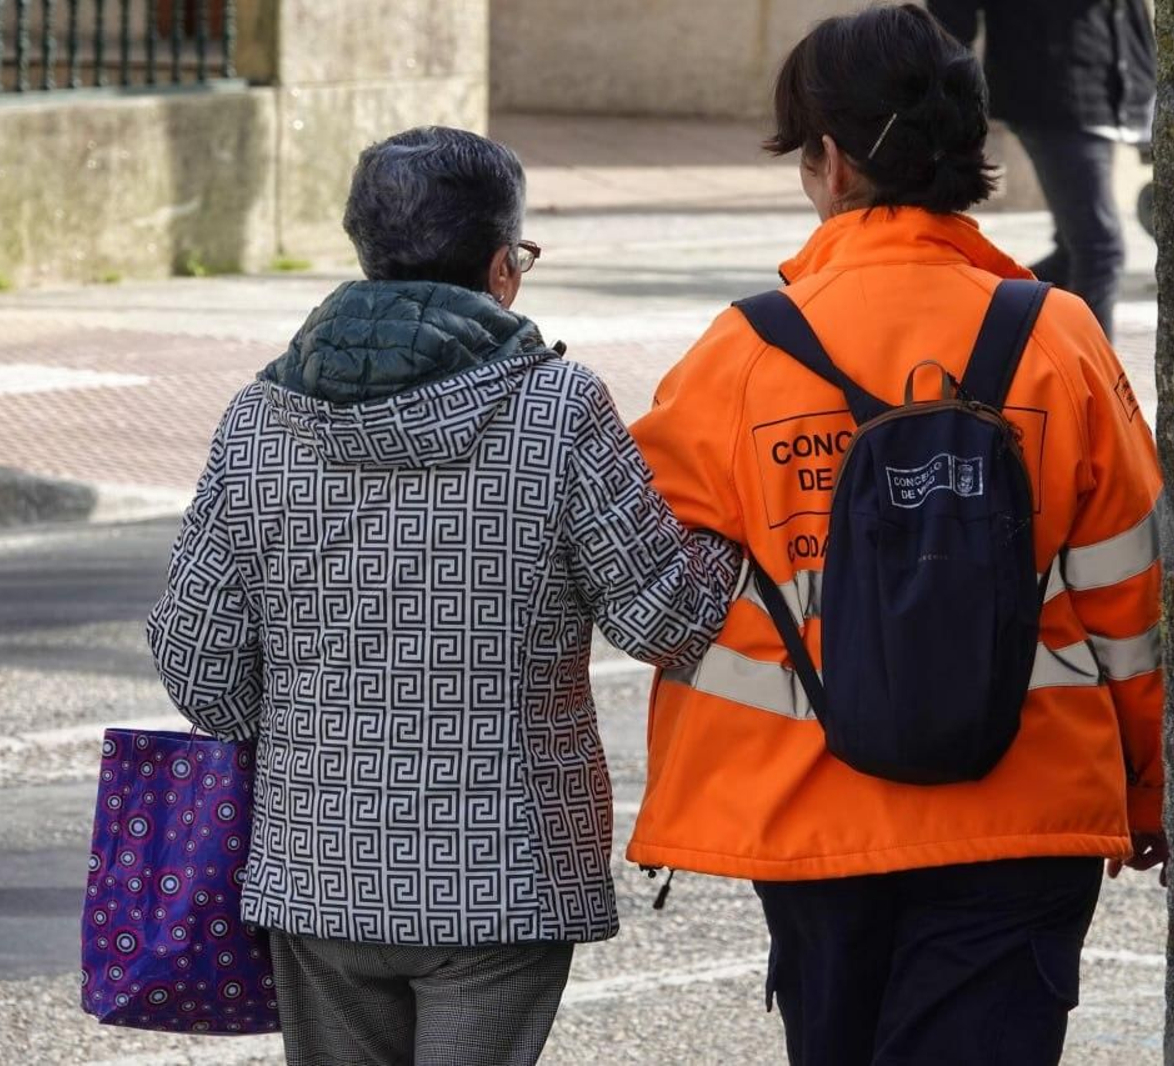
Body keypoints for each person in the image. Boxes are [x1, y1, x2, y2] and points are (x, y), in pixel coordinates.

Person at [625, 7, 1166, 1065]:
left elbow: (648, 576)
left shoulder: (741, 353)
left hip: (809, 810)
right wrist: (1148, 788)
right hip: (1026, 805)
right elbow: (1130, 596)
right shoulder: (1058, 336)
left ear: (829, 161)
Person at [147, 126, 740, 1066]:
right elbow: (663, 617)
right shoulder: (558, 409)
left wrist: (323, 741)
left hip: (316, 868)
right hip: (506, 870)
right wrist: (730, 532)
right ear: (502, 268)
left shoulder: (260, 418)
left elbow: (199, 666)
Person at [928, 0, 1156, 341]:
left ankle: (974, 319)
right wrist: (950, 92)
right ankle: (1087, 374)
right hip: (1051, 88)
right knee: (1099, 251)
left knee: (1074, 254)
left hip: (1112, 80)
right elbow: (952, 16)